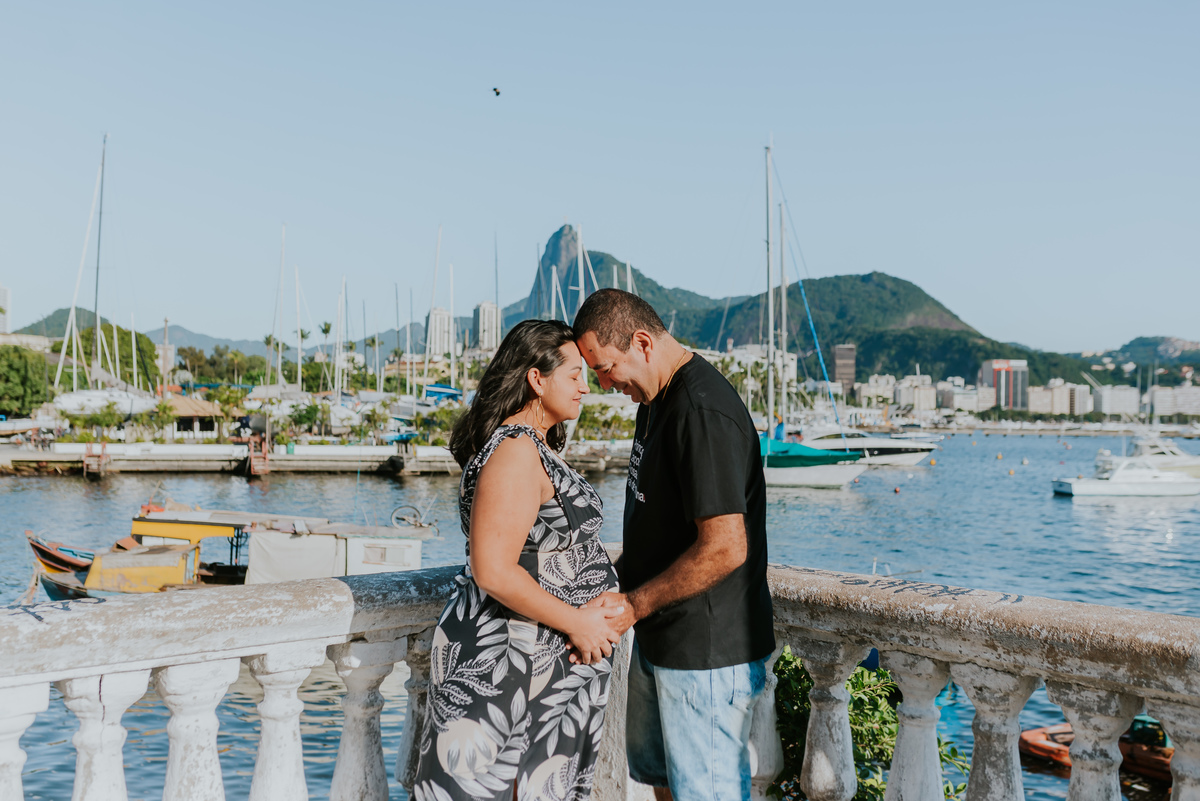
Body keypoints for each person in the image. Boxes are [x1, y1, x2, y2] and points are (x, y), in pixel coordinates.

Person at [573, 289, 775, 801]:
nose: (603, 384)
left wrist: (634, 605)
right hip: (663, 638)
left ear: (641, 342)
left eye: (605, 368)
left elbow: (727, 546)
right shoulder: (655, 398)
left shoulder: (700, 411)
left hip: (706, 652)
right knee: (662, 782)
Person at [411, 319, 624, 801]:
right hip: (511, 658)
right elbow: (493, 568)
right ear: (536, 378)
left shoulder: (533, 447)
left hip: (540, 660)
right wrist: (578, 622)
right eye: (574, 375)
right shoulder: (514, 451)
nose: (585, 388)